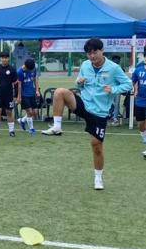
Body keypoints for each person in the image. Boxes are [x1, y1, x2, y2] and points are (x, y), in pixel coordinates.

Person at [41, 38, 132, 190]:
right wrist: (79, 82)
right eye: (89, 53)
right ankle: (57, 127)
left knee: (96, 146)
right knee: (59, 92)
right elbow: (79, 83)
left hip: (99, 112)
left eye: (94, 52)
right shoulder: (85, 65)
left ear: (102, 51)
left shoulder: (114, 68)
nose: (92, 56)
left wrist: (114, 89)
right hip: (84, 103)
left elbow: (128, 84)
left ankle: (98, 178)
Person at [0, 51, 19, 140]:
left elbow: (16, 83)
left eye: (6, 58)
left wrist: (16, 95)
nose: (4, 59)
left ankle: (11, 131)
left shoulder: (12, 69)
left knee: (9, 112)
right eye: (2, 58)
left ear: (8, 59)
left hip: (9, 94)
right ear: (0, 59)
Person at [16, 58, 41, 134]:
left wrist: (37, 90)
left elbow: (35, 80)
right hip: (24, 95)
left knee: (35, 112)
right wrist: (19, 97)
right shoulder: (19, 72)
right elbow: (19, 85)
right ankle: (31, 129)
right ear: (25, 66)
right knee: (29, 112)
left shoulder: (33, 69)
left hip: (32, 93)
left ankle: (22, 120)